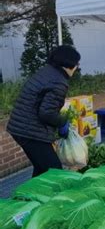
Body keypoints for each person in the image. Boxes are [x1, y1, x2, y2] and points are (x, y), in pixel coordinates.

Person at [7, 45, 81, 177]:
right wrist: (62, 122)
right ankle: (44, 196)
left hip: (21, 128)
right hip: (30, 131)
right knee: (54, 170)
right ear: (69, 64)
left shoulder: (46, 72)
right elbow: (47, 113)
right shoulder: (59, 81)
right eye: (76, 63)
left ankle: (29, 196)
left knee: (42, 169)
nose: (77, 67)